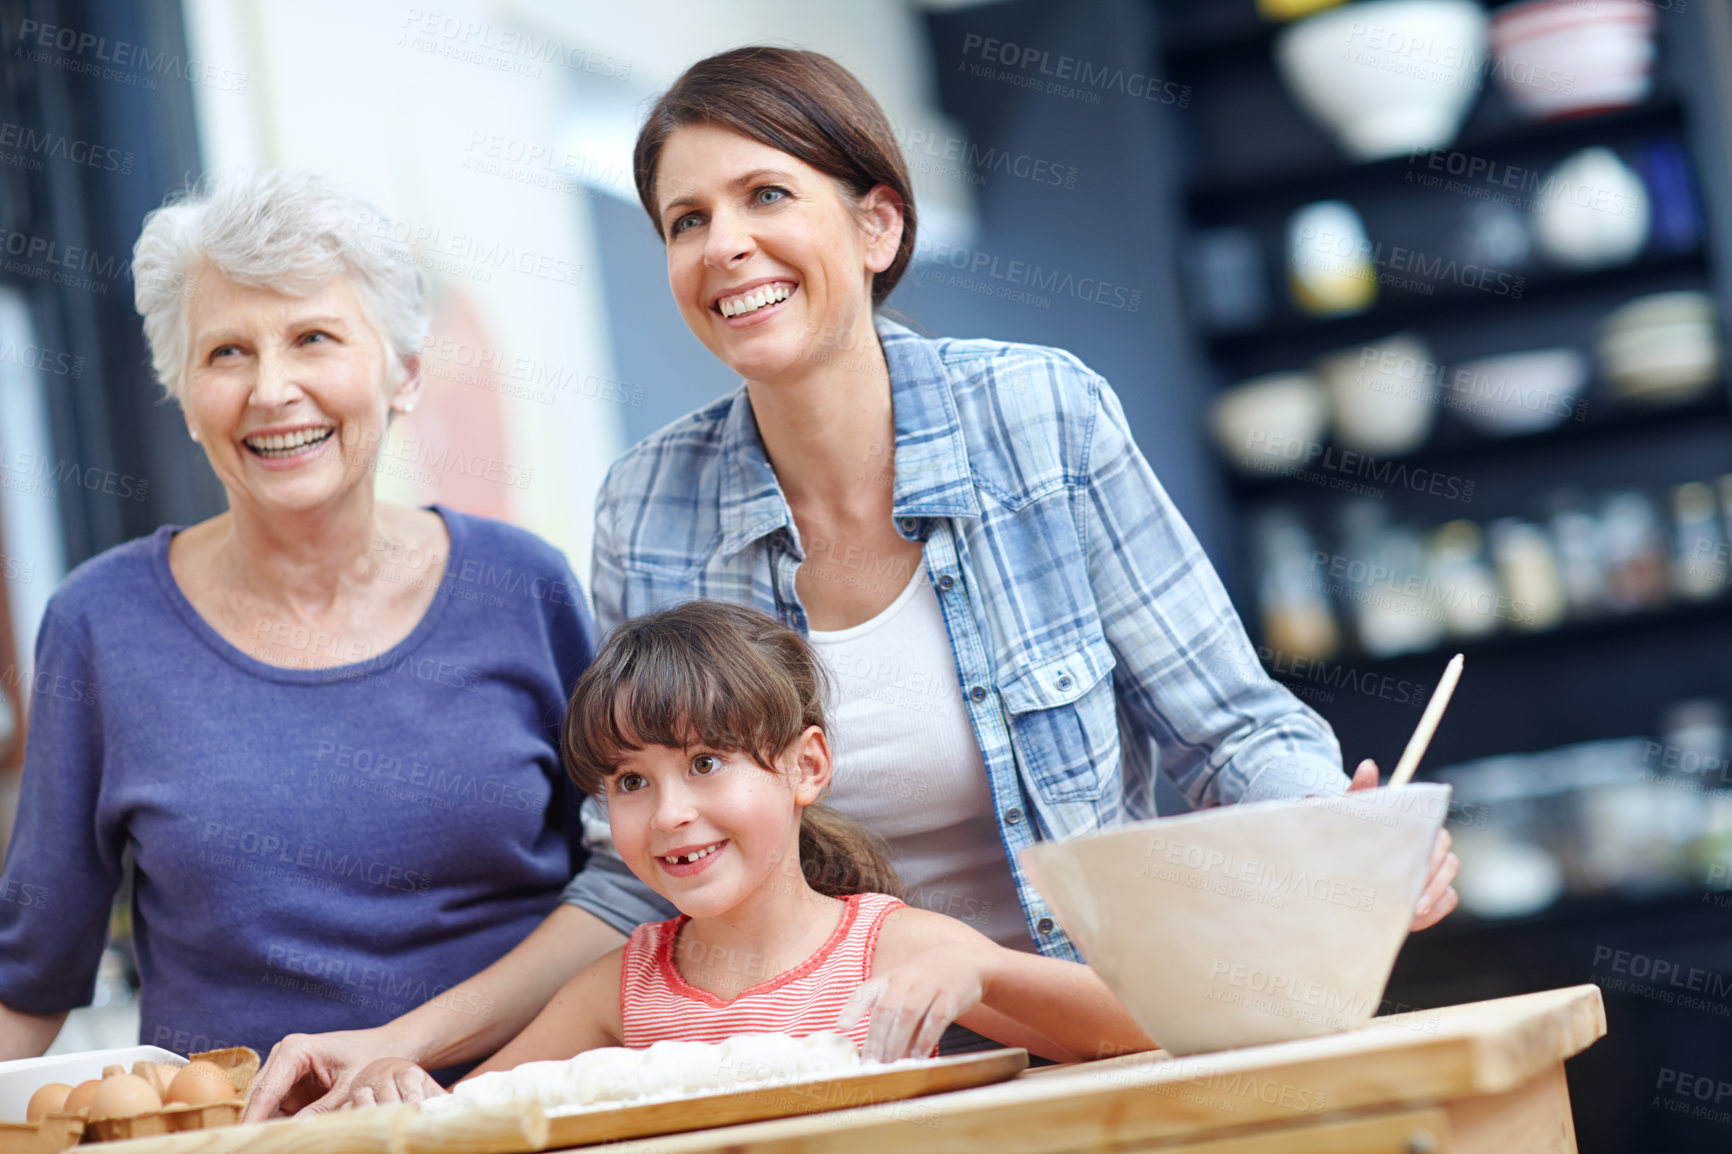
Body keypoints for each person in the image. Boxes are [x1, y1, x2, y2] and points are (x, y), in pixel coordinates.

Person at [247, 46, 1458, 1114]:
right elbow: (635, 868)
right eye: (685, 218)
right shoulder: (649, 503)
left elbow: (1224, 728)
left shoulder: (1037, 416)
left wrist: (1340, 843)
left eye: (766, 194)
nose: (724, 245)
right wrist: (404, 1044)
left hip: (1104, 1035)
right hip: (838, 1075)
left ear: (875, 226)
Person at [0, 171, 603, 1068]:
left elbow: (631, 889)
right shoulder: (101, 623)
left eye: (313, 338)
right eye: (226, 353)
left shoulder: (523, 590)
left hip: (524, 1115)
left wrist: (402, 1056)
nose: (272, 389)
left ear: (404, 375)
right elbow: (33, 971)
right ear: (182, 389)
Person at [346, 601, 1153, 1104]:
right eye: (630, 782)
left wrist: (989, 971)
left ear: (807, 767)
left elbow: (1146, 1035)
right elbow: (476, 1118)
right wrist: (405, 1089)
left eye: (705, 764)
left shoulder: (890, 949)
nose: (669, 814)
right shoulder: (620, 991)